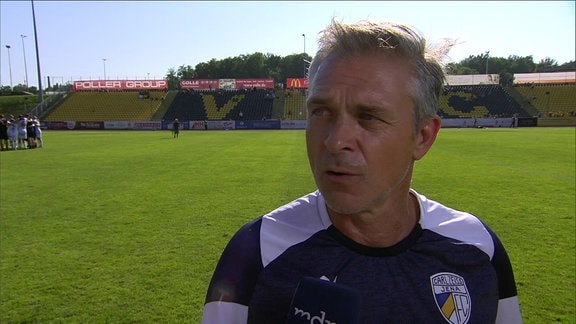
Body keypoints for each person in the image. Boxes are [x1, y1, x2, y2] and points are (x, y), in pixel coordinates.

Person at [202, 19, 522, 323]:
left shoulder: (478, 247)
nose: (336, 140)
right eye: (321, 112)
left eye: (369, 116)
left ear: (423, 137)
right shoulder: (257, 252)